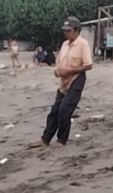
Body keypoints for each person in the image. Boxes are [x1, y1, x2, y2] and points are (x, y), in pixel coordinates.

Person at [29, 16, 93, 148]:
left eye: (68, 31)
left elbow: (88, 65)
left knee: (65, 109)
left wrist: (69, 70)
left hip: (77, 79)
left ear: (76, 31)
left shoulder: (83, 44)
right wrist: (58, 71)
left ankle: (61, 140)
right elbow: (58, 63)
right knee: (55, 110)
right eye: (65, 30)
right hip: (64, 81)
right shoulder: (64, 44)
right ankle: (45, 139)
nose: (66, 33)